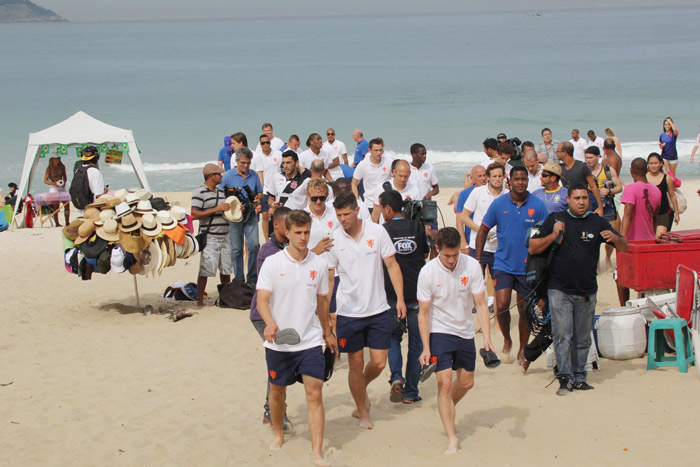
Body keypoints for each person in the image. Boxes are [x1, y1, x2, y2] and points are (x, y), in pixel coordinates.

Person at [529, 183, 628, 395]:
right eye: (577, 198)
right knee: (563, 335)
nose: (581, 202)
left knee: (582, 338)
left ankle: (580, 377)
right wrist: (553, 235)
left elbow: (624, 246)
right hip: (559, 289)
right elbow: (533, 246)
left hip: (587, 290)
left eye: (585, 198)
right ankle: (564, 377)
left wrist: (616, 239)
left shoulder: (597, 221)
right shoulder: (555, 220)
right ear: (568, 200)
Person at [256, 210, 336, 465]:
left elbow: (323, 302)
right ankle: (278, 433)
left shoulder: (320, 264)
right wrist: (270, 325)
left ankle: (316, 451)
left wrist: (328, 331)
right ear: (287, 233)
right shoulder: (273, 263)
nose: (303, 237)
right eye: (298, 233)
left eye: (306, 232)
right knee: (278, 393)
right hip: (278, 342)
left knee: (315, 393)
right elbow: (262, 300)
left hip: (310, 340)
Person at [325, 192, 407, 429]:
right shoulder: (333, 239)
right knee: (355, 362)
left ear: (357, 211)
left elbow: (392, 265)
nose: (343, 219)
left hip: (378, 309)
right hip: (348, 312)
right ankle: (363, 412)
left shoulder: (377, 231)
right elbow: (330, 279)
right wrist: (328, 311)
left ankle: (358, 386)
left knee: (380, 363)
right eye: (339, 215)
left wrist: (400, 298)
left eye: (346, 214)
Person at [417, 227, 494, 454]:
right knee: (445, 382)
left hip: (465, 331)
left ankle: (445, 405)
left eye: (455, 255)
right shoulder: (428, 272)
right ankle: (452, 438)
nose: (451, 260)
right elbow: (423, 313)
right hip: (439, 331)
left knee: (467, 382)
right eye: (446, 256)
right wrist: (425, 347)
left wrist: (487, 337)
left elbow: (480, 304)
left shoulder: (470, 266)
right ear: (437, 249)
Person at [475, 166, 548, 365]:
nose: (521, 182)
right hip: (503, 263)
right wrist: (478, 261)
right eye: (517, 179)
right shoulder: (499, 204)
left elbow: (546, 235)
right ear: (510, 180)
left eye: (524, 179)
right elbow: (482, 231)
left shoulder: (538, 205)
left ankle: (523, 349)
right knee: (501, 304)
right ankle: (507, 339)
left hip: (528, 267)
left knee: (525, 309)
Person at [379, 190, 429, 405]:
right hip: (418, 293)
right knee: (416, 343)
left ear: (388, 209)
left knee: (393, 339)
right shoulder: (417, 226)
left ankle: (397, 377)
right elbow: (425, 253)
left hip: (392, 295)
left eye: (381, 209)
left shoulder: (383, 230)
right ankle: (410, 392)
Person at [249, 206, 291, 430]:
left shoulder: (287, 246)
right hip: (262, 316)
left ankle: (273, 410)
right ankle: (272, 411)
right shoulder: (268, 251)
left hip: (280, 314)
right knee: (280, 361)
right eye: (289, 225)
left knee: (283, 361)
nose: (293, 229)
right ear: (276, 225)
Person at [616, 158, 662, 305]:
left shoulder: (630, 188)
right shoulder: (656, 190)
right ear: (646, 170)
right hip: (649, 240)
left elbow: (628, 214)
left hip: (632, 241)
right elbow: (654, 218)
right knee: (644, 278)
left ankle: (624, 307)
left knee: (620, 277)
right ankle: (642, 305)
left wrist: (621, 238)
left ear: (631, 170)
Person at [462, 162, 506, 312]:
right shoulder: (477, 192)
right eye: (494, 176)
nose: (497, 179)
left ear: (504, 177)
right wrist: (482, 231)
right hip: (478, 244)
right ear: (488, 177)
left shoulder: (508, 194)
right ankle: (477, 304)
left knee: (495, 277)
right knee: (476, 276)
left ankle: (491, 302)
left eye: (500, 176)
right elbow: (464, 216)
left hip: (499, 246)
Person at [220, 147, 263, 285]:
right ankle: (238, 279)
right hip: (234, 217)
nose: (246, 166)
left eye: (248, 163)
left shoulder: (254, 175)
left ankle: (252, 279)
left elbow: (260, 192)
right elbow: (219, 194)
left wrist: (258, 200)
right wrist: (232, 202)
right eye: (243, 163)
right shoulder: (228, 176)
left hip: (250, 215)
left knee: (254, 245)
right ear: (237, 161)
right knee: (237, 249)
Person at [191, 163, 232, 307]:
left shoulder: (221, 192)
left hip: (225, 235)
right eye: (219, 174)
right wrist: (217, 208)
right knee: (206, 269)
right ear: (211, 176)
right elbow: (194, 214)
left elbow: (226, 211)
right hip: (210, 236)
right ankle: (200, 300)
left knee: (226, 269)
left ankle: (225, 298)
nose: (221, 176)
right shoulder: (199, 192)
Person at [584, 146, 624, 269]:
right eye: (586, 158)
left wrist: (609, 190)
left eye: (591, 158)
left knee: (610, 235)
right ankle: (596, 262)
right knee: (591, 237)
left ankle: (607, 257)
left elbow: (619, 187)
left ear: (598, 157)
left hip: (607, 206)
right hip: (590, 207)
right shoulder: (584, 171)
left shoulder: (608, 170)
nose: (588, 160)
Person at [351, 138, 394, 223]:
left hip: (386, 204)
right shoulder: (363, 165)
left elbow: (395, 180)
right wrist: (357, 201)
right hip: (370, 204)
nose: (379, 153)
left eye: (380, 150)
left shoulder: (389, 162)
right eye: (376, 150)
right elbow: (354, 183)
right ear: (369, 150)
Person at [557, 142, 604, 216]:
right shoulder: (559, 168)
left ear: (564, 153)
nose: (557, 153)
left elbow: (593, 186)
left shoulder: (582, 167)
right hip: (568, 206)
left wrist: (600, 207)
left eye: (558, 151)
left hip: (584, 205)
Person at [252, 134, 283, 240]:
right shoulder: (257, 156)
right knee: (265, 214)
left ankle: (277, 237)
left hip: (278, 189)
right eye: (263, 143)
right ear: (260, 144)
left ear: (270, 142)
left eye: (267, 142)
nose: (265, 145)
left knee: (276, 214)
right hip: (264, 189)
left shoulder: (278, 154)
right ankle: (266, 240)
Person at [646, 152, 680, 237]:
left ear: (661, 164)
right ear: (648, 164)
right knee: (650, 239)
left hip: (663, 213)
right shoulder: (644, 178)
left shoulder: (666, 178)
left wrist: (677, 213)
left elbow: (672, 195)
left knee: (659, 238)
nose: (653, 166)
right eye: (651, 163)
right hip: (647, 214)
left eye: (656, 163)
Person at [455, 166, 487, 252]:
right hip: (471, 239)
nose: (483, 178)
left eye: (485, 175)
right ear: (472, 178)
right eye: (480, 176)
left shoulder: (492, 192)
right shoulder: (464, 194)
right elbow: (459, 220)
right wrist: (463, 243)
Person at [70, 146, 105, 216]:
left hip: (79, 208)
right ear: (96, 158)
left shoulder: (78, 169)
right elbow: (99, 194)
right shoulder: (95, 172)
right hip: (92, 210)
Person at [44, 155, 69, 226]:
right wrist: (54, 183)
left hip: (61, 187)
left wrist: (64, 182)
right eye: (57, 159)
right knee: (56, 206)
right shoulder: (49, 169)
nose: (58, 160)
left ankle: (67, 222)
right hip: (53, 188)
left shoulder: (62, 167)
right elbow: (45, 181)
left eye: (59, 158)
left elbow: (65, 176)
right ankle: (57, 223)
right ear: (52, 159)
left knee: (67, 204)